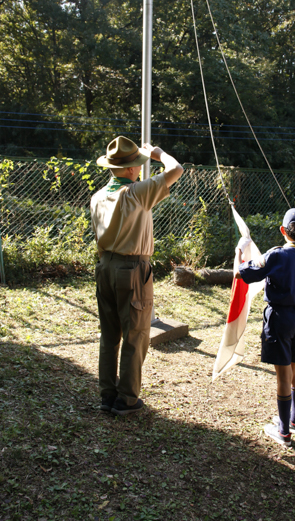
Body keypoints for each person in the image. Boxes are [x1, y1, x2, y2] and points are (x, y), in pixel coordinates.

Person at [90, 136, 183, 415]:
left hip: (104, 267)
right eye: (138, 165)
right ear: (131, 169)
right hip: (132, 270)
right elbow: (176, 170)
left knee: (109, 334)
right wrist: (158, 153)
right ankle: (127, 399)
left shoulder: (98, 196)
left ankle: (107, 394)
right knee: (136, 334)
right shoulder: (135, 193)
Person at [234, 208, 295, 447]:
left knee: (282, 376)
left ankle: (283, 432)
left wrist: (239, 251)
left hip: (280, 317)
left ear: (283, 231)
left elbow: (242, 273)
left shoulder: (276, 255)